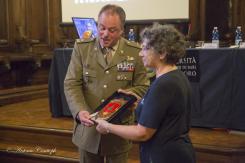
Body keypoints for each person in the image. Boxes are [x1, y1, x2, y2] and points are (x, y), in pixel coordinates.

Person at [96, 23, 196, 163]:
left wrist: (107, 127)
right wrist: (138, 102)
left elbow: (142, 133)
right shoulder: (175, 75)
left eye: (145, 48)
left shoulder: (164, 84)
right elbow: (163, 113)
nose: (140, 53)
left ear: (162, 53)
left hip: (166, 156)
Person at [64, 4, 149, 163]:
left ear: (122, 30)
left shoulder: (134, 51)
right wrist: (79, 110)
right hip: (88, 129)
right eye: (101, 28)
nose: (104, 34)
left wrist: (125, 98)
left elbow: (143, 85)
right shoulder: (83, 48)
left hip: (119, 130)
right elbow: (71, 83)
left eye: (112, 30)